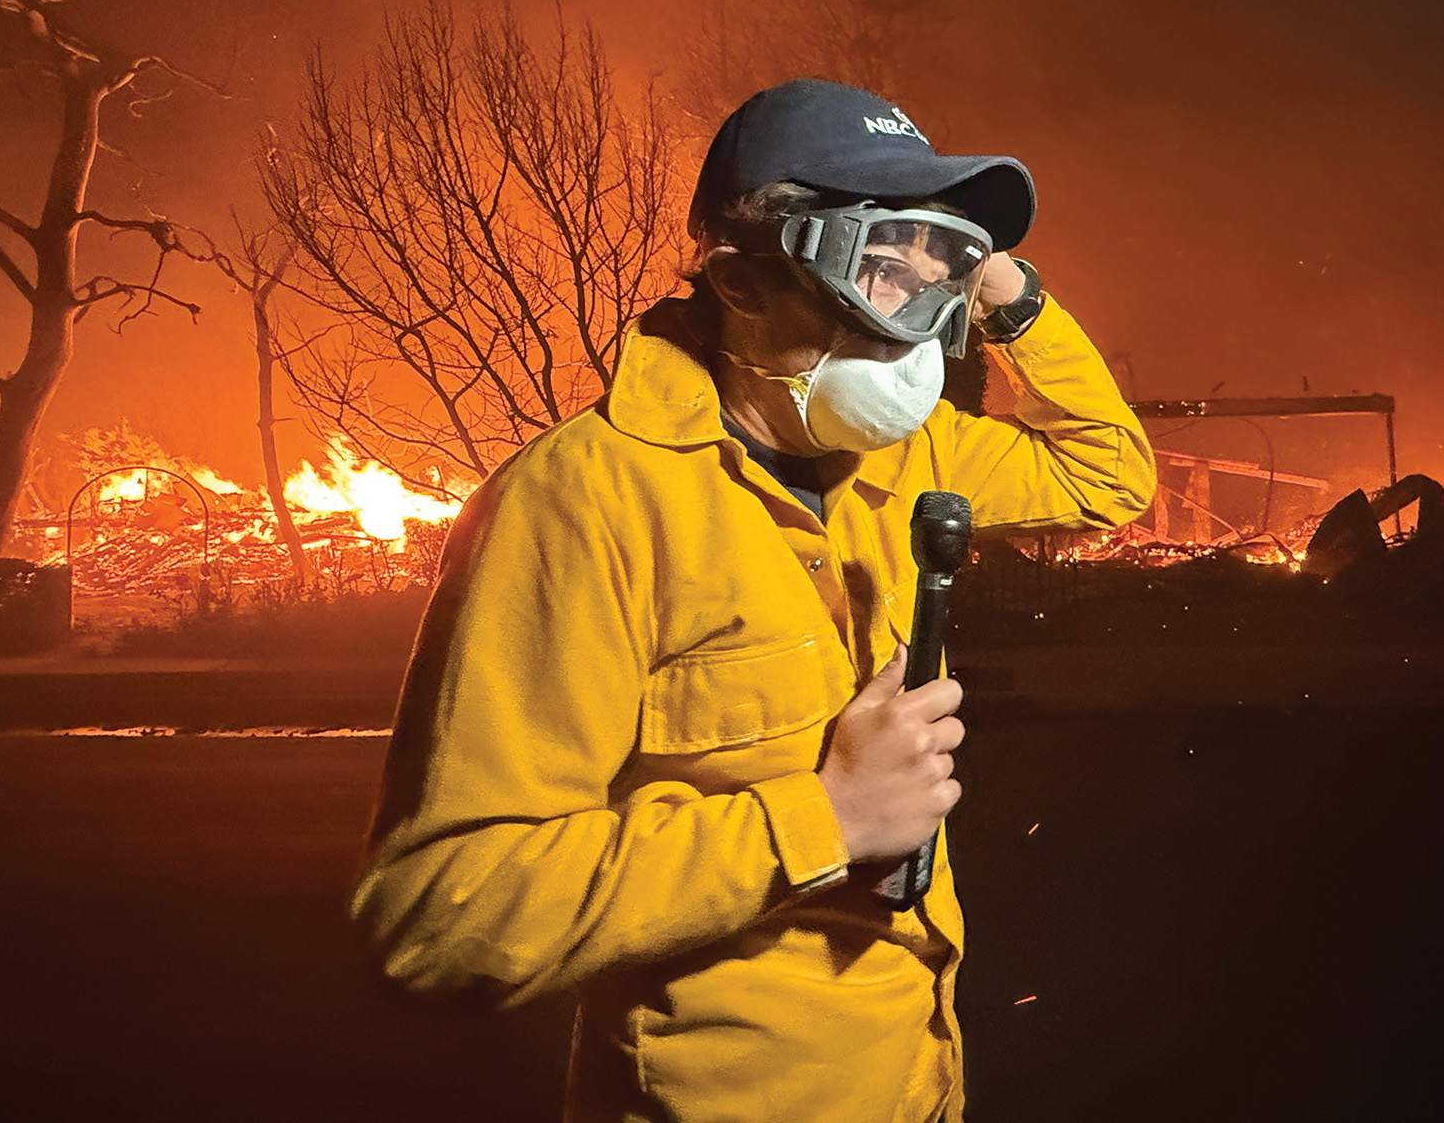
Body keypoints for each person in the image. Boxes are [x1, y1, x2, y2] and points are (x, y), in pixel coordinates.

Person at [352, 78, 1155, 1122]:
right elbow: (438, 918)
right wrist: (818, 819)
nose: (910, 326)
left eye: (937, 275)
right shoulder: (585, 502)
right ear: (736, 283)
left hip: (916, 1079)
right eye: (876, 270)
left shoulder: (905, 457)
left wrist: (1013, 296)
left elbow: (1107, 475)